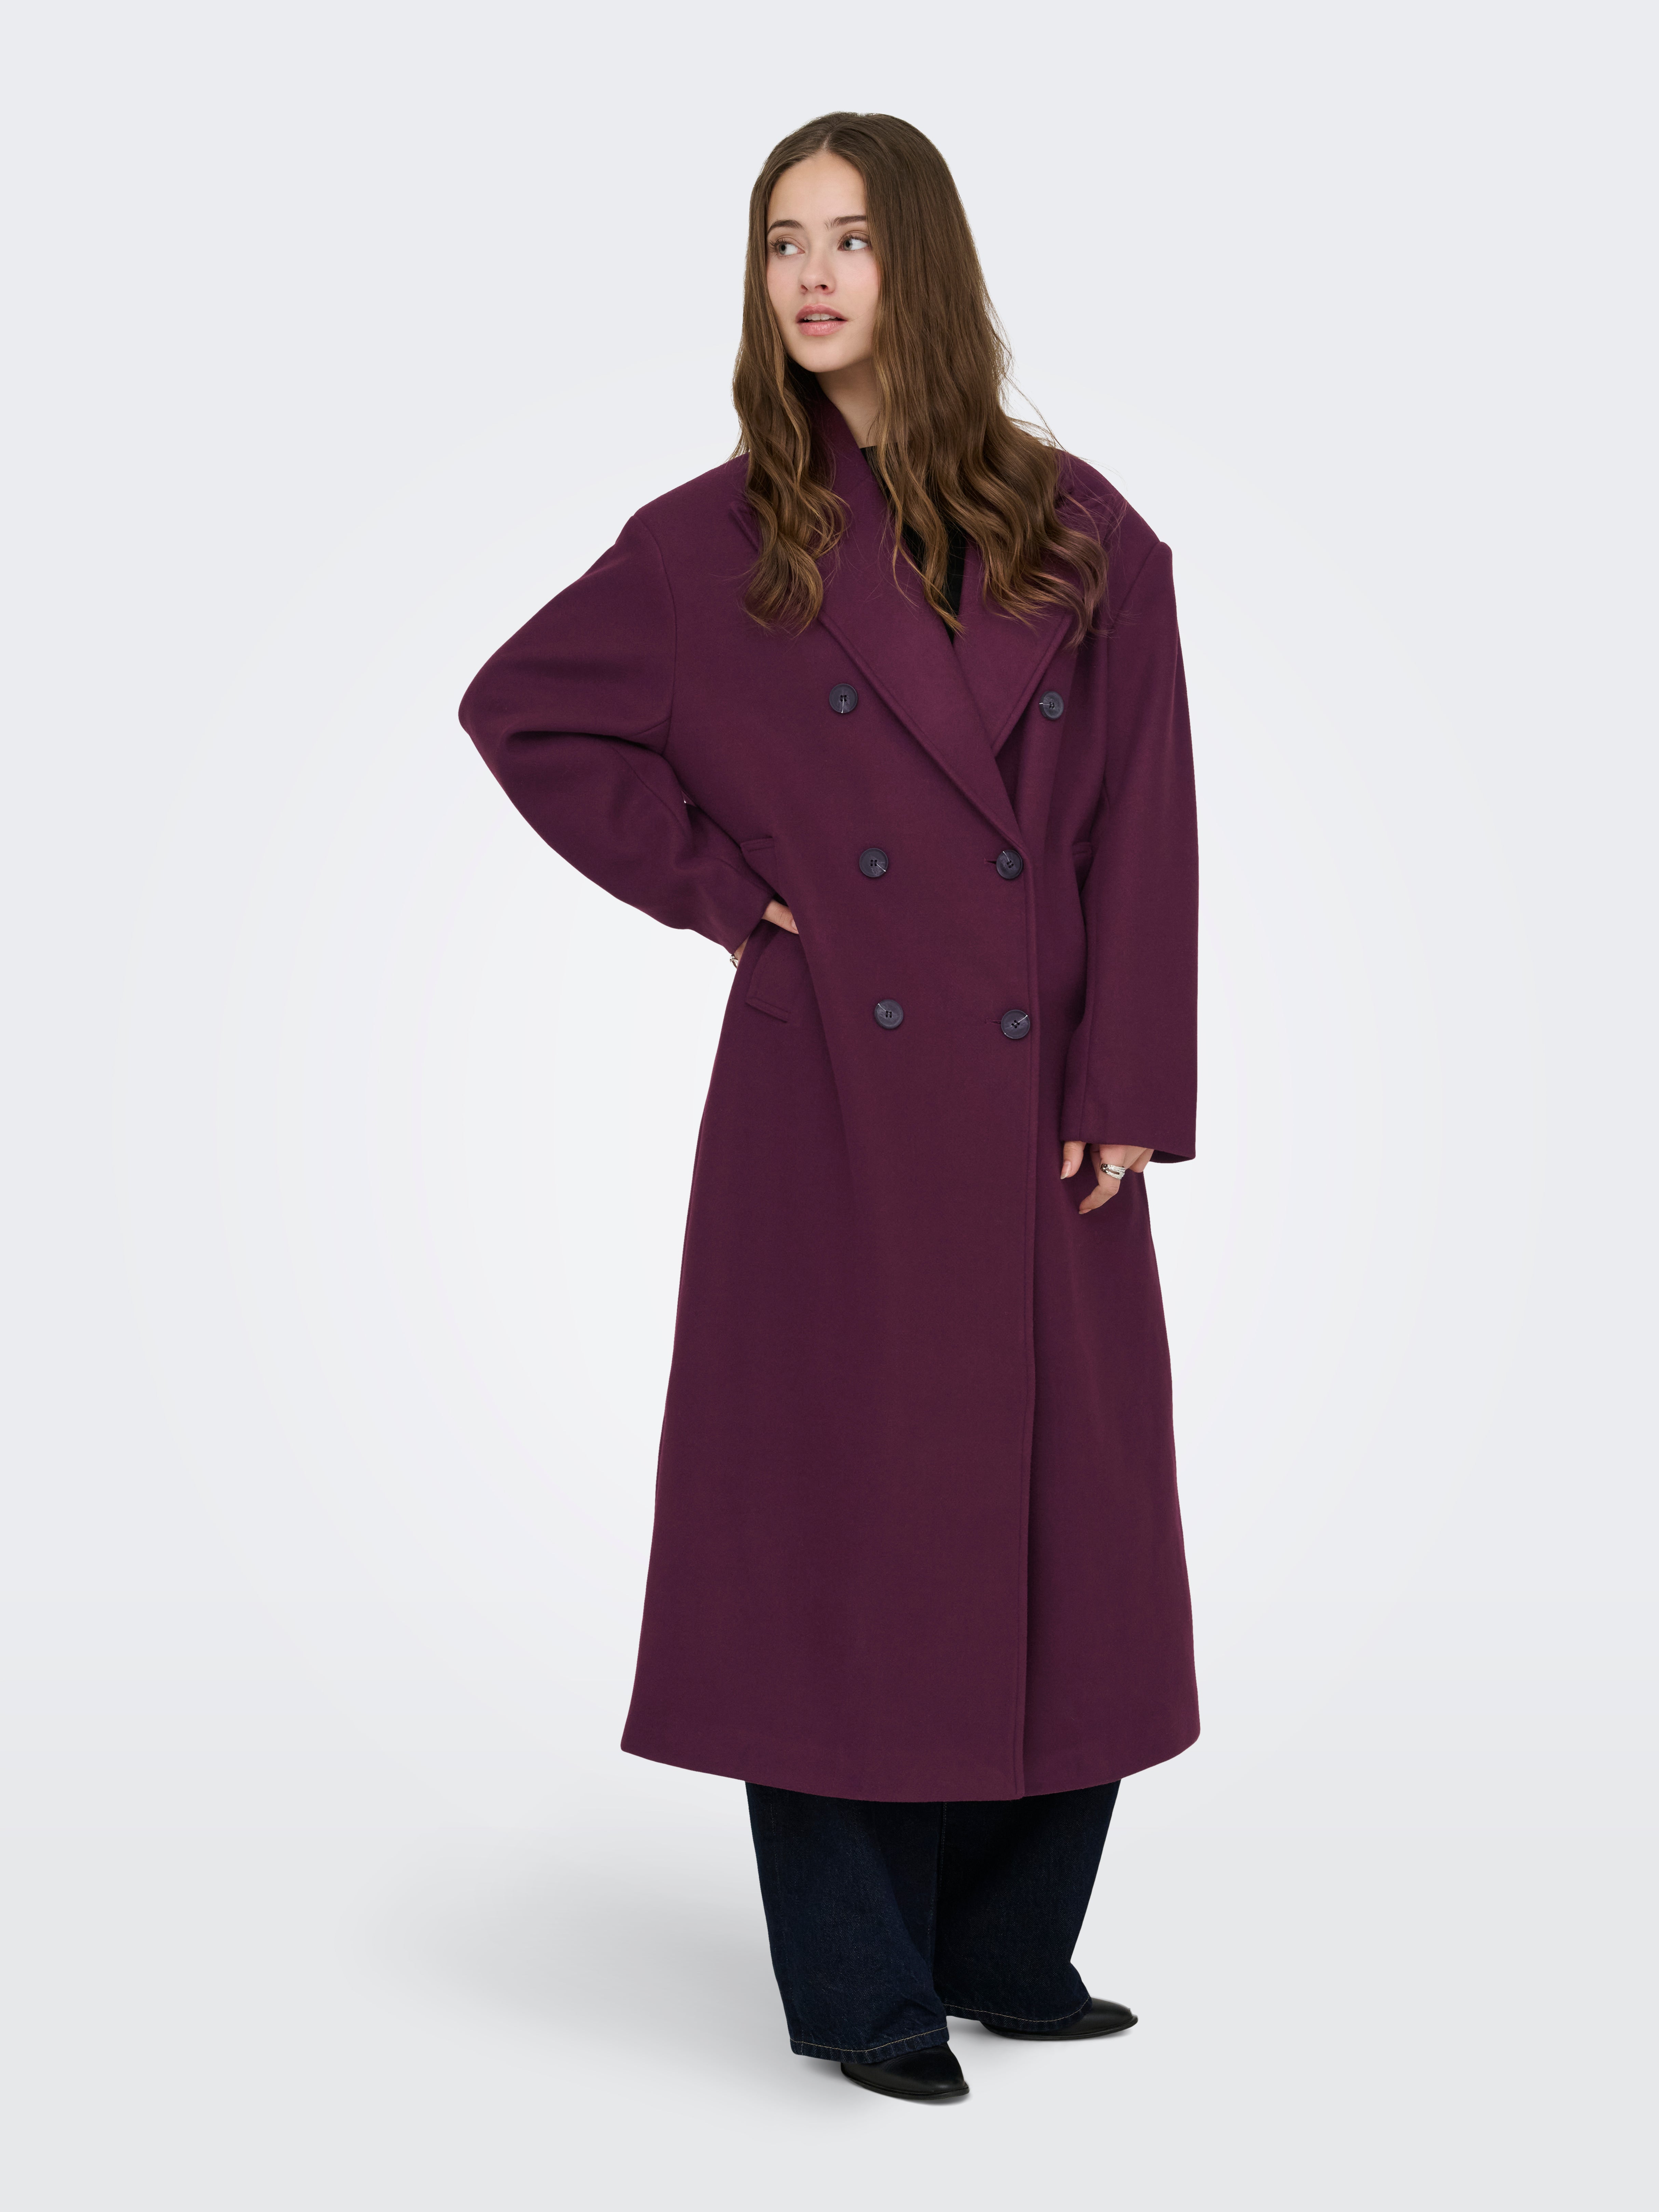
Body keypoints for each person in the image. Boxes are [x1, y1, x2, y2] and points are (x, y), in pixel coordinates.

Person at [459, 111, 1199, 2104]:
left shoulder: (1087, 534)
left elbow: (1143, 820)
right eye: (782, 239)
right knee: (835, 1524)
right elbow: (524, 711)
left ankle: (1013, 1949)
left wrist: (1134, 1080)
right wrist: (728, 892)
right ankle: (862, 1984)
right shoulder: (711, 544)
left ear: (920, 265)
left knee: (1069, 1525)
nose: (810, 275)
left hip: (1046, 1108)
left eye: (851, 239)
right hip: (833, 1098)